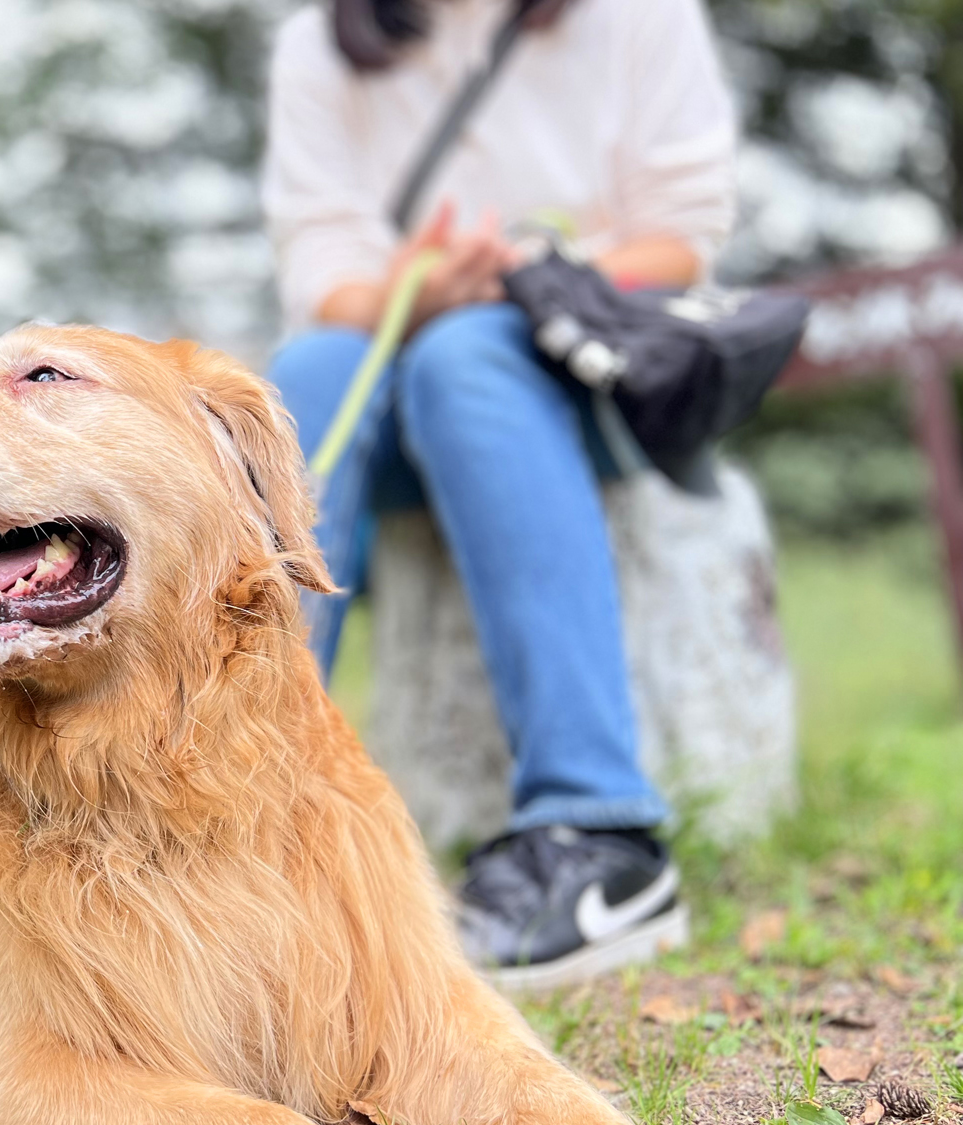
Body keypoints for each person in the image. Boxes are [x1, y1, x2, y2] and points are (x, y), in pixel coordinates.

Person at [261, 0, 737, 984]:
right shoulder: (317, 48)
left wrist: (519, 284)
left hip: (584, 376)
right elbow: (321, 278)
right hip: (397, 363)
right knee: (304, 376)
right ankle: (245, 813)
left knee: (466, 358)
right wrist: (416, 288)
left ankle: (598, 835)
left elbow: (679, 238)